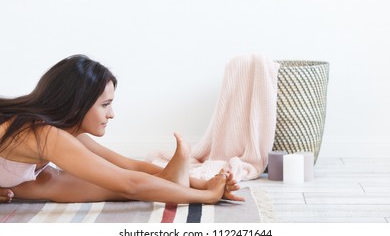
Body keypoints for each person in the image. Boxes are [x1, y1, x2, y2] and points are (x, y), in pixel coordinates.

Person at [0, 54, 244, 204]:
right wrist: (207, 197)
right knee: (54, 181)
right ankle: (171, 184)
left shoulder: (60, 132)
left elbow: (128, 166)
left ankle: (171, 182)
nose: (111, 114)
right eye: (105, 105)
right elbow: (130, 182)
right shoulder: (43, 135)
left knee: (67, 180)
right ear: (77, 105)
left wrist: (203, 184)